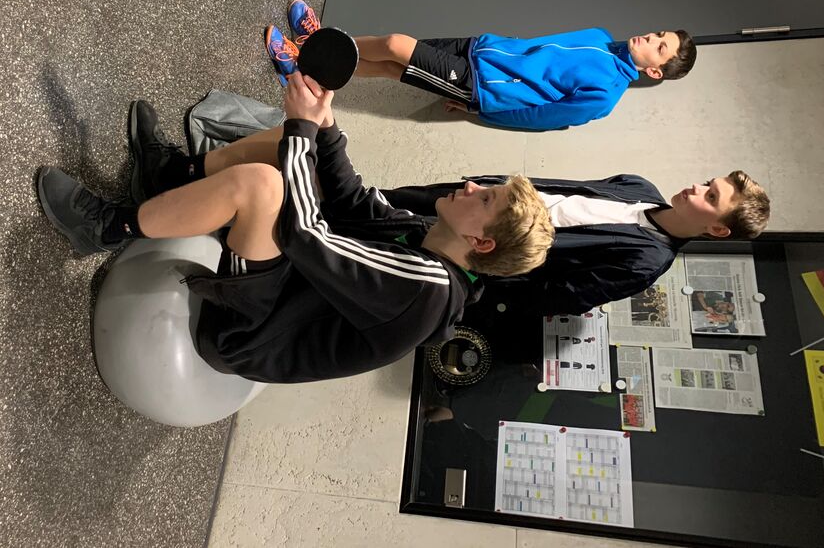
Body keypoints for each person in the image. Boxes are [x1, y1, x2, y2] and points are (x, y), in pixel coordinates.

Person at [35, 73, 555, 383]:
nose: (470, 186)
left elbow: (305, 236)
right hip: (290, 286)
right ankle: (169, 176)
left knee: (264, 184)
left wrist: (303, 133)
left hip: (251, 333)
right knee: (292, 145)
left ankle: (106, 227)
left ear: (480, 242)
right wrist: (323, 124)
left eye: (484, 198)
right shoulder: (428, 235)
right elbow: (352, 201)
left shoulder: (426, 291)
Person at [381, 172, 770, 315]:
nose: (696, 188)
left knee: (383, 245)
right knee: (384, 201)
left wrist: (478, 278)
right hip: (481, 200)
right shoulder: (639, 186)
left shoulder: (647, 261)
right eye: (708, 183)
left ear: (717, 229)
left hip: (473, 250)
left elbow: (560, 297)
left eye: (710, 197)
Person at [352, 27, 697, 130]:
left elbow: (540, 118)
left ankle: (325, 45)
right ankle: (325, 68)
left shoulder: (605, 96)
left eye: (659, 46)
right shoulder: (600, 36)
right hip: (479, 47)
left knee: (394, 45)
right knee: (390, 67)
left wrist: (479, 111)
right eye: (658, 33)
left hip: (479, 83)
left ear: (655, 71)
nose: (650, 37)